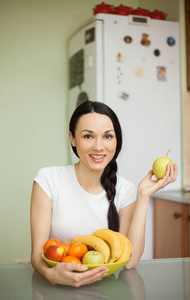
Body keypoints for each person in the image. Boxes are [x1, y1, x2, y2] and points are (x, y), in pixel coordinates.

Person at [30, 101, 177, 287]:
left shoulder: (126, 189)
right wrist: (50, 274)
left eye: (108, 136)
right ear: (73, 139)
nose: (99, 147)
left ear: (117, 141)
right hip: (56, 288)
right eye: (88, 136)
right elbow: (37, 253)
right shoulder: (48, 179)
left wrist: (143, 196)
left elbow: (130, 262)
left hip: (105, 289)